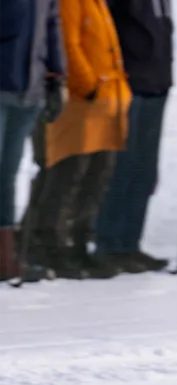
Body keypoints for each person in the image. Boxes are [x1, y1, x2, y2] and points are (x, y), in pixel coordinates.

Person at [22, 0, 132, 280]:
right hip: (79, 103)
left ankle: (78, 242)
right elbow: (67, 44)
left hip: (105, 102)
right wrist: (88, 85)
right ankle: (49, 245)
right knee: (66, 175)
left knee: (96, 176)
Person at [95, 0, 175, 274]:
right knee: (122, 170)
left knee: (143, 171)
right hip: (130, 85)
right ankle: (109, 244)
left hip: (157, 85)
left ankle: (129, 244)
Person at [0, 0, 66, 282]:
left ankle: (5, 258)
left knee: (6, 175)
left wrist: (56, 75)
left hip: (29, 90)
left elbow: (52, 24)